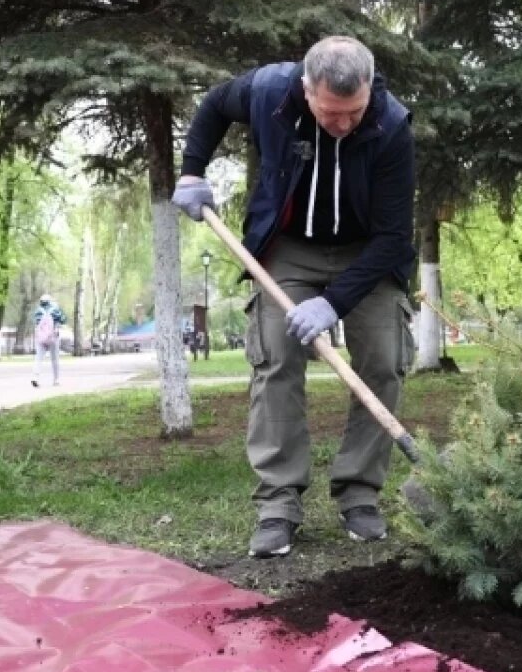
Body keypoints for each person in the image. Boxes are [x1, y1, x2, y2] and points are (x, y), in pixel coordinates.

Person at [173, 35, 417, 558]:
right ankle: (278, 503)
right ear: (306, 90)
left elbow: (394, 237)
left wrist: (333, 304)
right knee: (276, 359)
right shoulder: (268, 91)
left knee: (386, 359)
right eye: (331, 112)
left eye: (353, 113)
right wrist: (194, 169)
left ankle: (359, 494)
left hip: (366, 252)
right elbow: (216, 103)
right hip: (286, 248)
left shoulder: (391, 125)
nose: (343, 124)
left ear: (369, 89)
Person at [31, 293, 67, 387]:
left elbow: (35, 322)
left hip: (41, 339)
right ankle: (56, 379)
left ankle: (35, 377)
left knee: (38, 358)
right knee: (55, 359)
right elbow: (63, 319)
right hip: (53, 337)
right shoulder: (55, 309)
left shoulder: (38, 311)